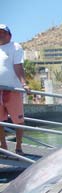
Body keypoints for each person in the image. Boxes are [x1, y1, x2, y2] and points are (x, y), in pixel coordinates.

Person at [0, 24, 30, 156]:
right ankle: (4, 146)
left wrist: (24, 84)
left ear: (9, 35)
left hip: (13, 90)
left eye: (3, 33)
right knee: (0, 120)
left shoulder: (15, 47)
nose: (0, 35)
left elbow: (18, 66)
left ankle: (18, 146)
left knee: (18, 120)